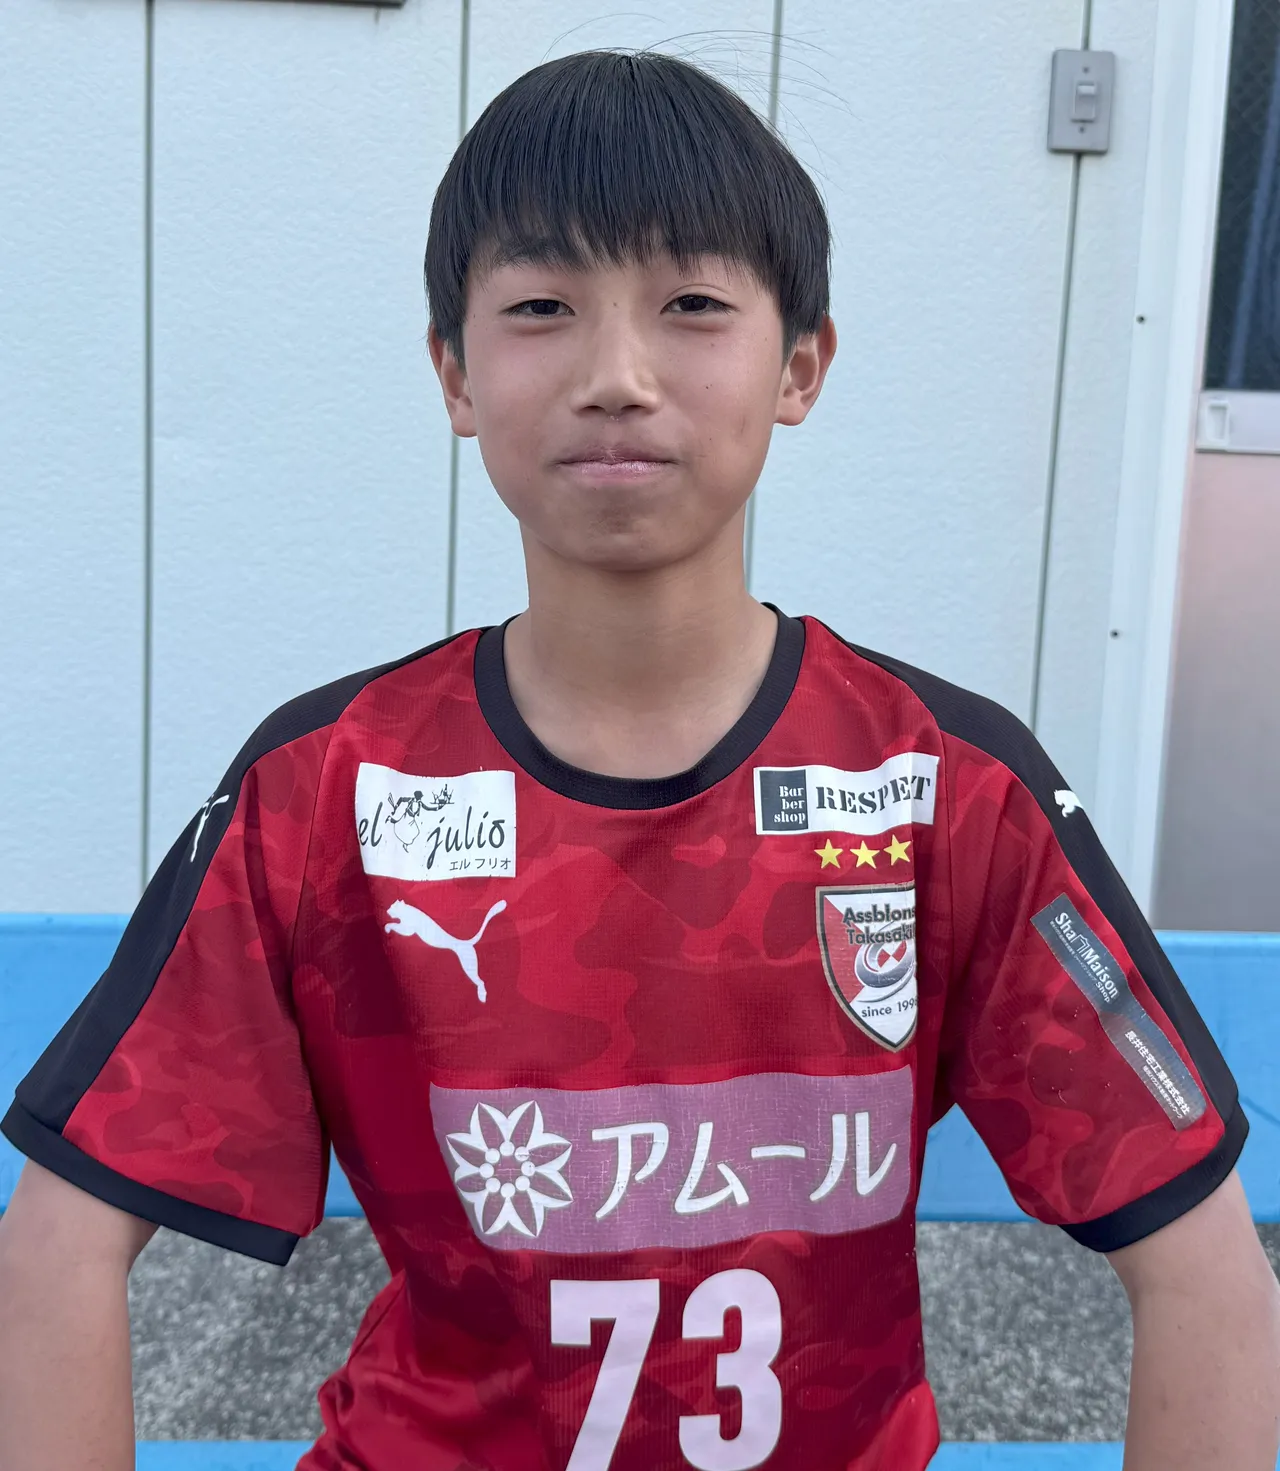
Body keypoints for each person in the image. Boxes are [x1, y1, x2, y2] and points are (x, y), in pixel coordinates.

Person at [0, 47, 1277, 1471]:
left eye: (693, 306)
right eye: (542, 308)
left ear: (801, 365)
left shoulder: (943, 786)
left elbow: (1209, 1274)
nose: (616, 375)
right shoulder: (329, 790)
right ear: (455, 372)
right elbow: (55, 1243)